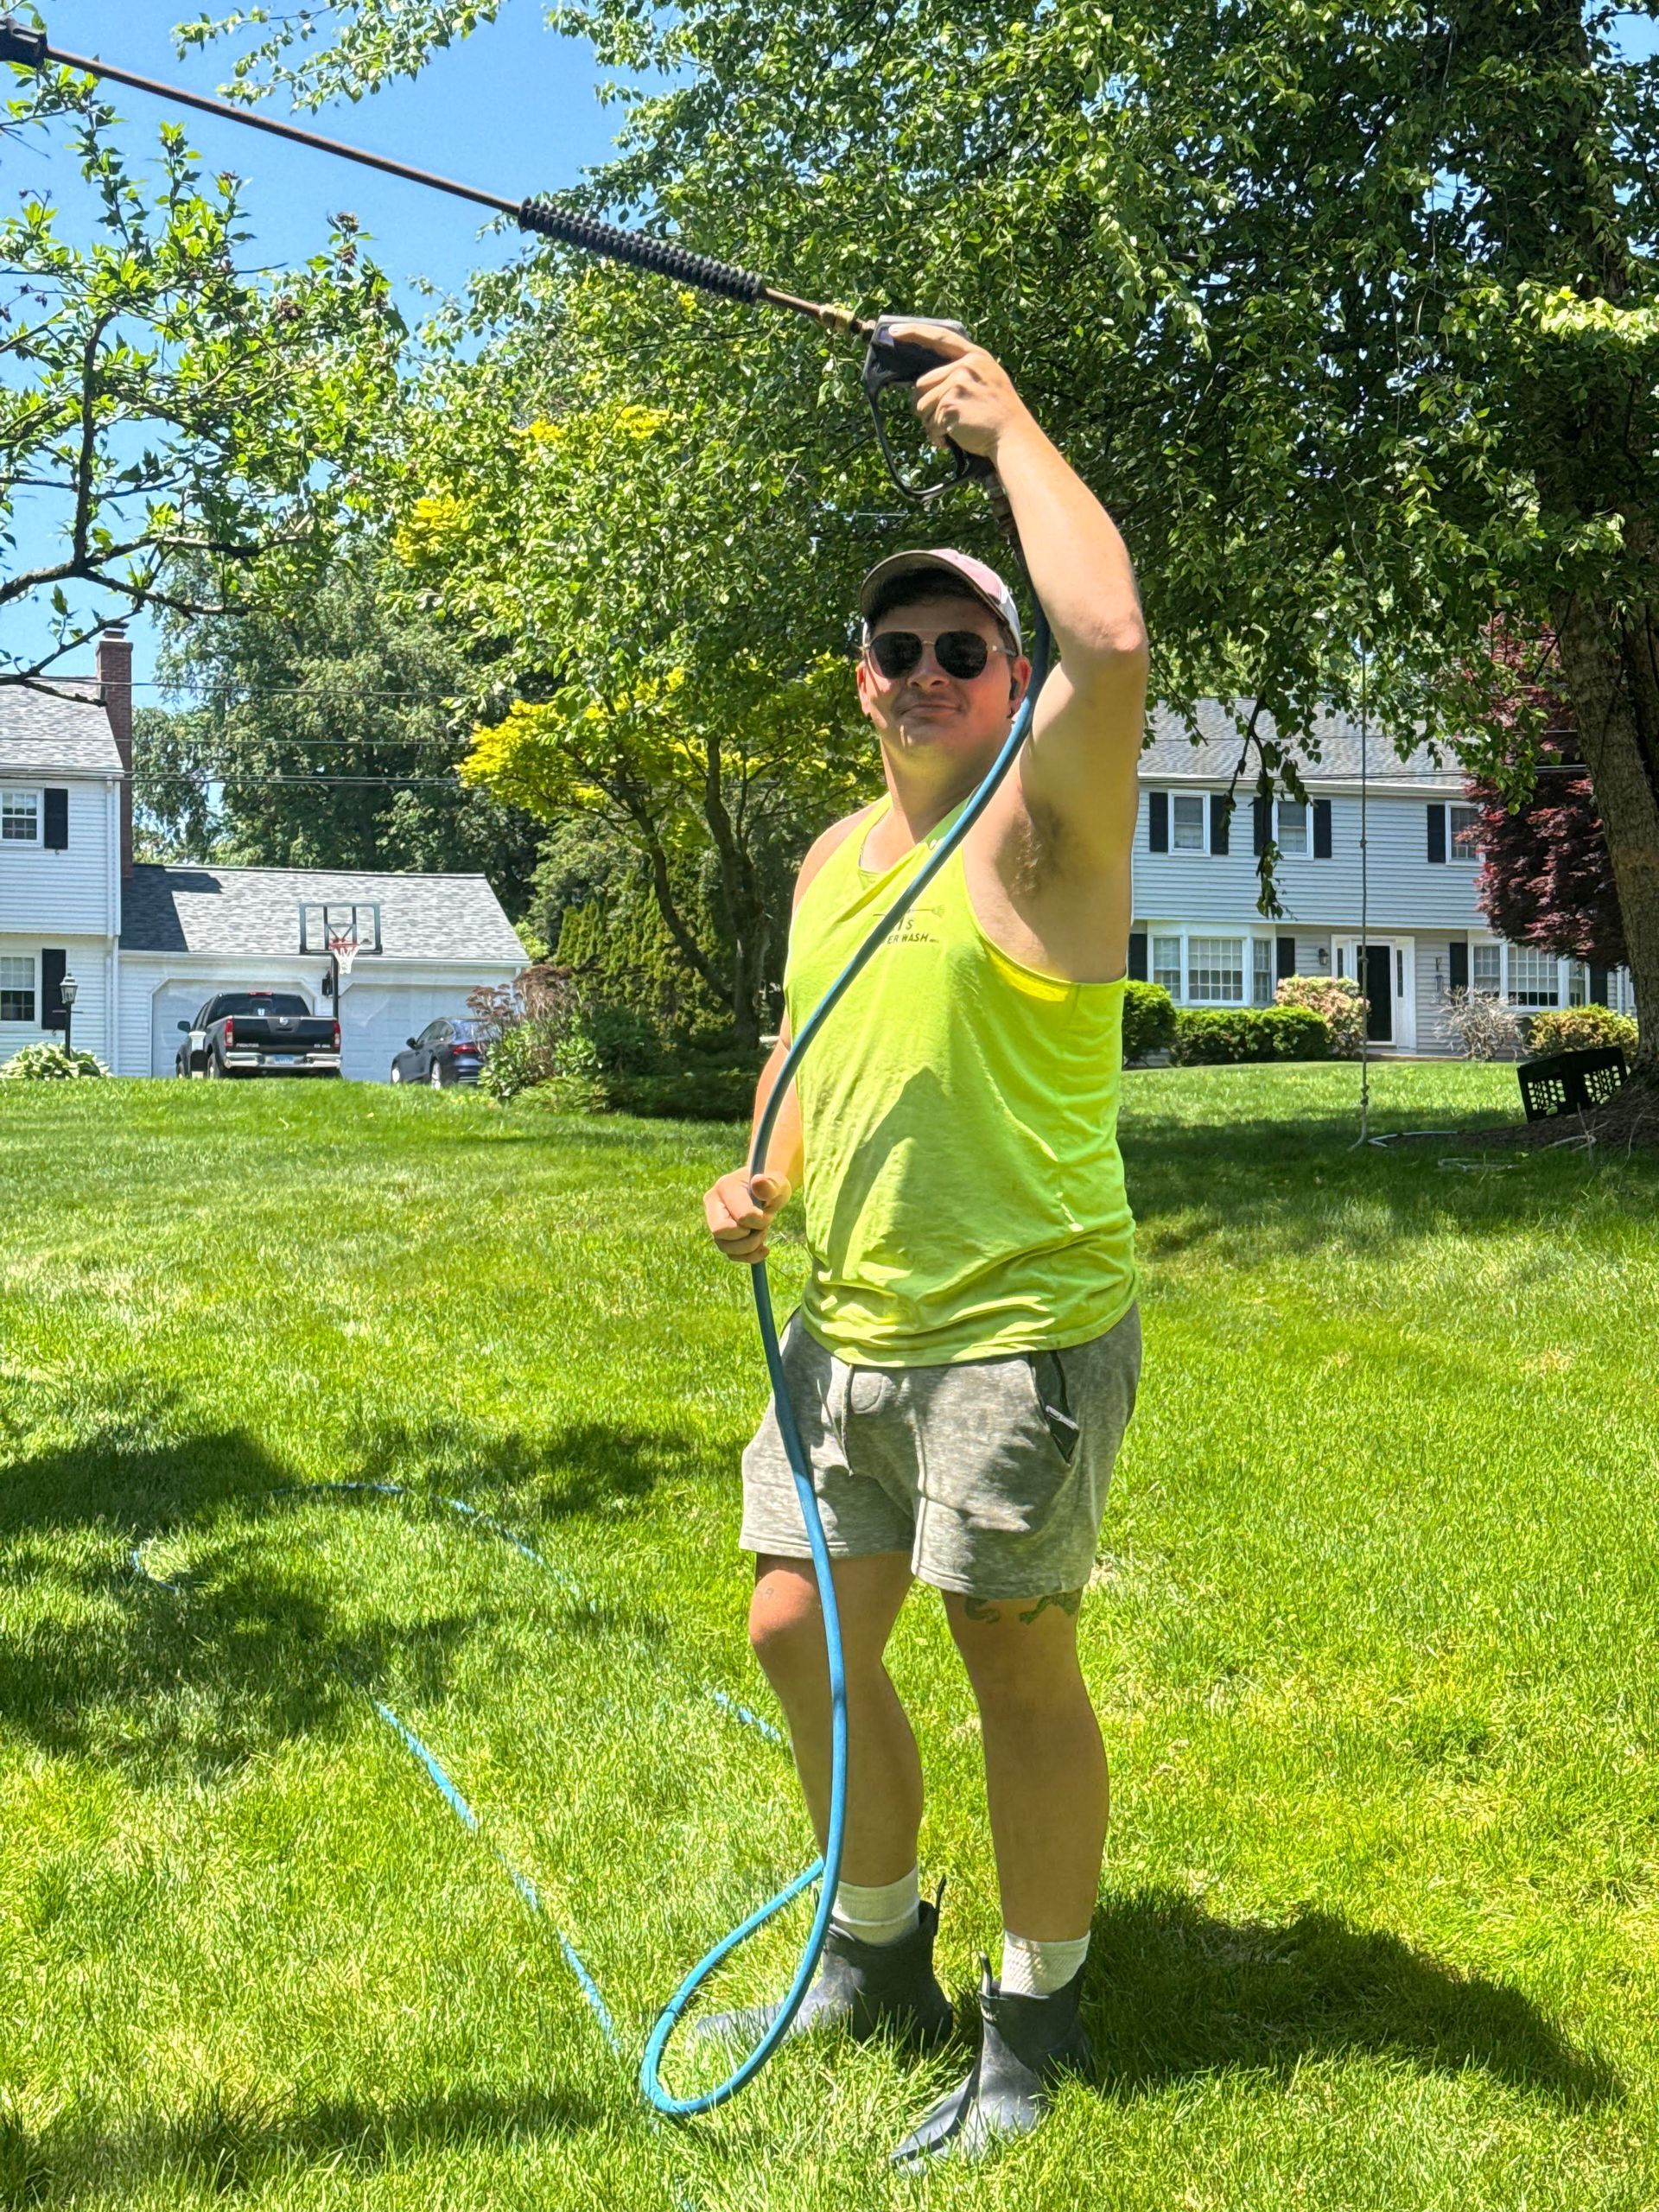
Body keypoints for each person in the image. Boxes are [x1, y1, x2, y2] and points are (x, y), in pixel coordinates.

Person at [701, 323, 1147, 2164]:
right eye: (901, 648)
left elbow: (1114, 639)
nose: (929, 673)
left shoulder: (1046, 831)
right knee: (793, 1629)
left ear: (1010, 676)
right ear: (864, 677)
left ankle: (1034, 2019)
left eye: (967, 648)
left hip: (1015, 1328)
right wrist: (762, 1171)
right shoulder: (832, 859)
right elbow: (810, 1040)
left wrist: (1006, 421)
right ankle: (875, 1947)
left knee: (1008, 1656)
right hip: (847, 1326)